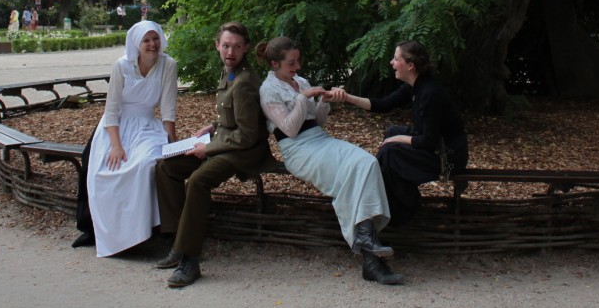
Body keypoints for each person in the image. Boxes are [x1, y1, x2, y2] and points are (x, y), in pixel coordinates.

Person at [257, 37, 404, 285]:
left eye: (298, 61)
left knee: (366, 162)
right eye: (291, 63)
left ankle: (368, 249)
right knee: (350, 173)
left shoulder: (300, 81)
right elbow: (290, 130)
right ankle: (372, 259)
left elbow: (318, 122)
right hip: (298, 150)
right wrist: (303, 99)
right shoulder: (268, 90)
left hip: (320, 139)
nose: (298, 67)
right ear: (274, 63)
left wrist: (324, 101)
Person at [154, 21, 270, 288]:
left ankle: (190, 260)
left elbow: (248, 134)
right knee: (166, 167)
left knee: (198, 180)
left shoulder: (244, 82)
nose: (230, 52)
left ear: (246, 49)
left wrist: (208, 147)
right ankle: (177, 241)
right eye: (226, 45)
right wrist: (212, 127)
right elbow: (232, 118)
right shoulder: (229, 72)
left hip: (246, 151)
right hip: (227, 141)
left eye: (237, 47)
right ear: (217, 45)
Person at [328, 40, 468, 227]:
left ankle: (394, 210)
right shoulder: (414, 85)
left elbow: (428, 140)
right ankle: (387, 200)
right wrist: (346, 97)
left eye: (395, 59)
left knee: (390, 152)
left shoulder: (429, 92)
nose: (391, 63)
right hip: (435, 146)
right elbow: (383, 104)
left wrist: (396, 140)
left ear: (410, 65)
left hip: (448, 157)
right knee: (392, 134)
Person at [85, 21, 178, 257]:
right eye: (146, 40)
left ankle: (143, 231)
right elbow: (112, 109)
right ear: (136, 43)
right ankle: (112, 235)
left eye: (155, 38)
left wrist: (173, 143)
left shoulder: (168, 65)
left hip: (147, 126)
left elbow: (168, 109)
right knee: (106, 170)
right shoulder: (122, 66)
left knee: (145, 165)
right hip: (117, 127)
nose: (152, 44)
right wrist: (116, 145)